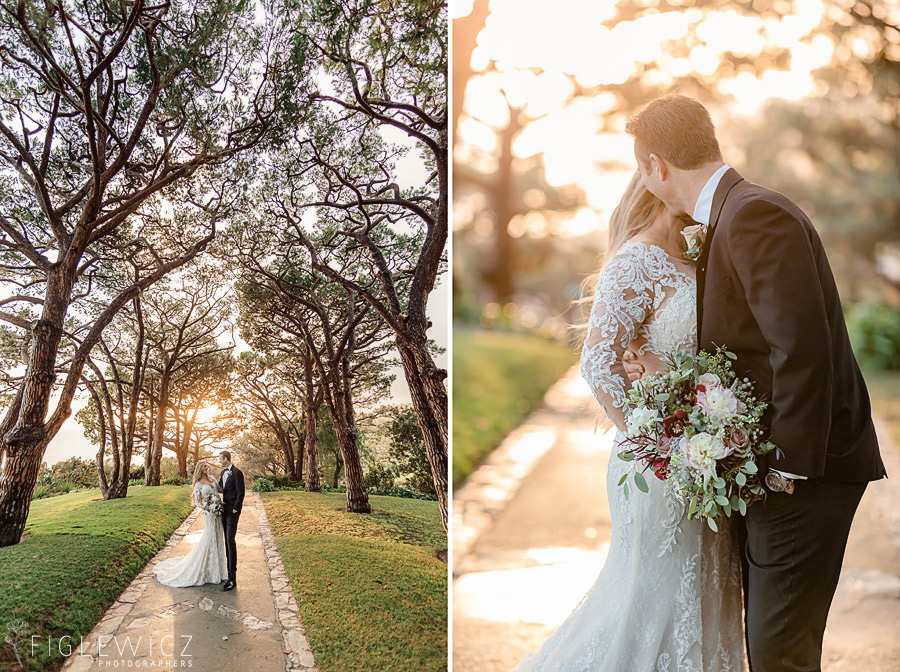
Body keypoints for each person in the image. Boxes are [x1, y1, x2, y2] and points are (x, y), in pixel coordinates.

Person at [622, 94, 886, 672]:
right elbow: (751, 349)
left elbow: (802, 349)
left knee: (778, 654)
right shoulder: (732, 216)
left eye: (640, 166)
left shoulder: (754, 215)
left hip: (803, 474)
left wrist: (785, 470)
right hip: (773, 470)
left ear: (656, 166)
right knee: (770, 647)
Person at [512, 171, 746, 672]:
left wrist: (697, 416)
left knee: (703, 599)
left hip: (703, 461)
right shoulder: (637, 260)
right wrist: (658, 445)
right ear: (660, 184)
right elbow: (598, 363)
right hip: (661, 468)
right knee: (644, 603)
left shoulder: (698, 255)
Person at [152, 461, 227, 587]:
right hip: (209, 513)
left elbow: (220, 490)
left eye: (207, 466)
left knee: (218, 536)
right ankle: (205, 570)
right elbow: (198, 502)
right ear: (199, 468)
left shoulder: (212, 478)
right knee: (210, 537)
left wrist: (223, 499)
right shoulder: (198, 485)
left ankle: (217, 570)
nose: (206, 468)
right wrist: (209, 508)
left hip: (218, 513)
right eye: (204, 466)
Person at [218, 450, 245, 591]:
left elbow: (241, 493)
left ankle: (232, 578)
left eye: (221, 459)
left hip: (232, 512)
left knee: (230, 540)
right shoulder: (223, 473)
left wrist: (235, 509)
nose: (219, 461)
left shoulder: (236, 473)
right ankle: (228, 574)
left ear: (226, 459)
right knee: (226, 541)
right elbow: (221, 489)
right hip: (224, 510)